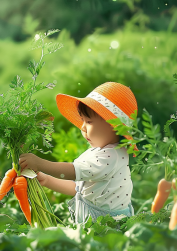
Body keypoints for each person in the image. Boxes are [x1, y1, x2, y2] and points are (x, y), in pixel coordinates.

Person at [19, 82, 138, 224]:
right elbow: (79, 189)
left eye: (89, 121)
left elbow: (73, 171)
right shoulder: (103, 152)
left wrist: (41, 164)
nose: (82, 127)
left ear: (114, 127)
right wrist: (48, 180)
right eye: (82, 120)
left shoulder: (111, 157)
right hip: (96, 223)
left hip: (108, 226)